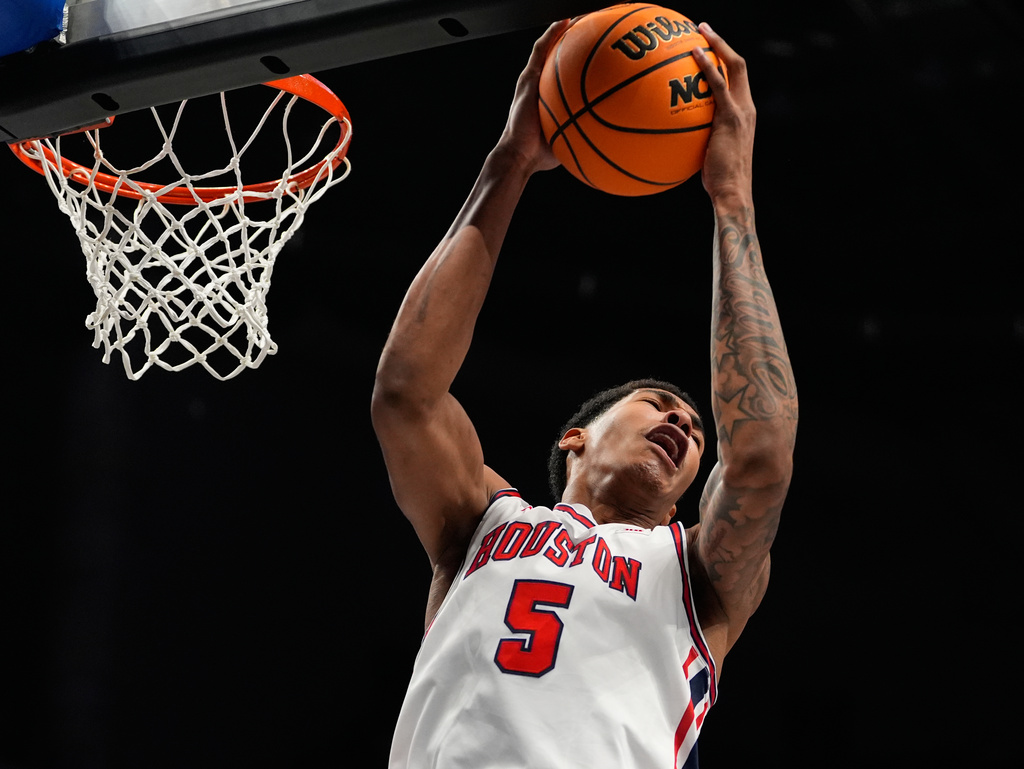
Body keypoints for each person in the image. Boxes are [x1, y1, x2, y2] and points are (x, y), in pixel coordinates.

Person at [372, 17, 798, 769]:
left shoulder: (698, 570)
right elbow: (406, 393)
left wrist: (733, 200)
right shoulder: (479, 523)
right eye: (659, 403)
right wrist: (510, 160)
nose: (683, 421)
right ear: (575, 436)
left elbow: (760, 456)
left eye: (696, 427)